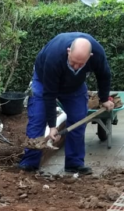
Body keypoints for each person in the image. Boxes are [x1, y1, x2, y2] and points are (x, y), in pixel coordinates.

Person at [18, 32, 114, 176]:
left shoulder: (98, 53)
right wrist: (52, 126)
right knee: (37, 120)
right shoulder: (54, 56)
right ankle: (30, 163)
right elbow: (49, 94)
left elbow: (104, 75)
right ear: (68, 51)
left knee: (78, 119)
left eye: (80, 64)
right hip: (44, 82)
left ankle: (74, 163)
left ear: (90, 57)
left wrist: (104, 98)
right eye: (73, 62)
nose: (75, 67)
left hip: (74, 86)